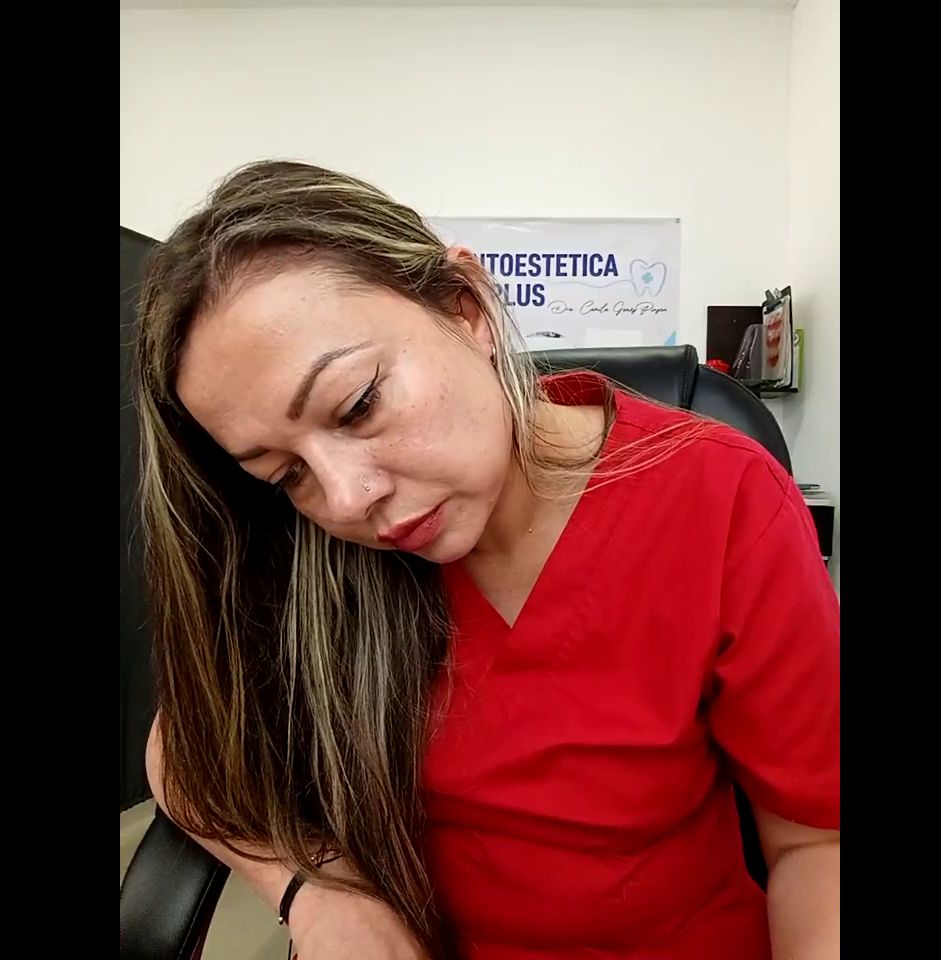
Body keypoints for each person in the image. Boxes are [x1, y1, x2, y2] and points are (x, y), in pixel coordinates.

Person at [137, 160, 840, 960]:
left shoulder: (717, 496)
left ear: (465, 306)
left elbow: (816, 841)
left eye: (359, 405)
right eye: (285, 472)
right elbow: (185, 746)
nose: (347, 499)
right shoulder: (314, 553)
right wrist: (317, 893)